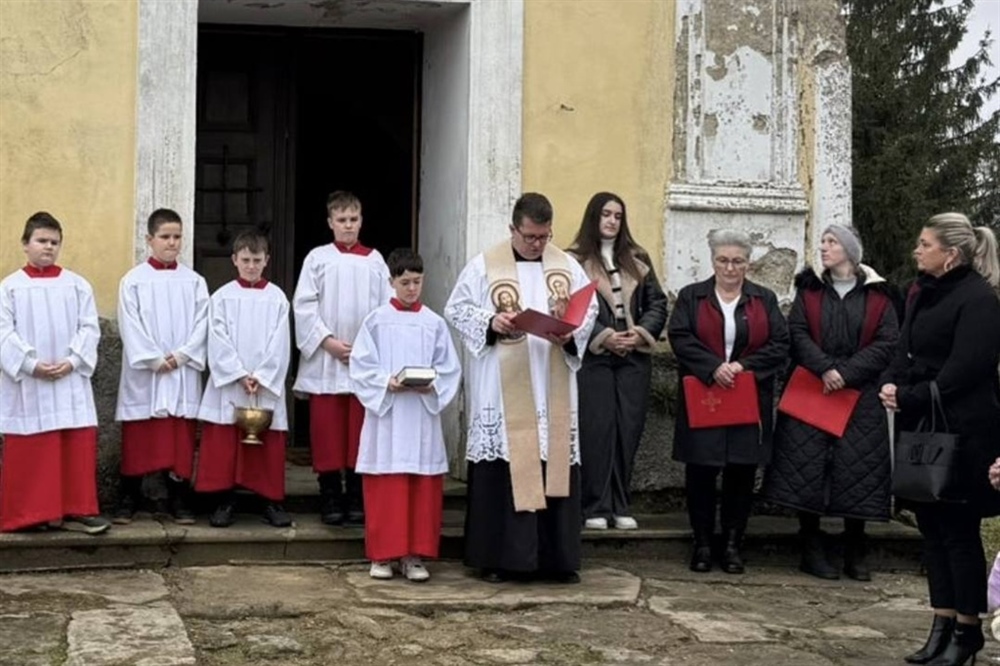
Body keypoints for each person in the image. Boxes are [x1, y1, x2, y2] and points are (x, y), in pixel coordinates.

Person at [445, 192, 597, 584]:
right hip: (503, 385)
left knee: (554, 462)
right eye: (530, 236)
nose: (537, 244)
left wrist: (571, 334)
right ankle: (501, 558)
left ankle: (555, 560)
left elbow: (588, 310)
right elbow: (457, 308)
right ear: (513, 228)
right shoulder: (484, 266)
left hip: (552, 387)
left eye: (544, 236)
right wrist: (491, 322)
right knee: (505, 466)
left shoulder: (567, 266)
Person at [879, 213, 1000, 666]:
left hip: (964, 430)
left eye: (925, 243)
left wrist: (909, 395)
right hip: (923, 425)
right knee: (931, 529)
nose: (917, 249)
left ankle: (967, 631)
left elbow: (966, 368)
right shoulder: (923, 293)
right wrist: (891, 382)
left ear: (950, 254)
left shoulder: (979, 299)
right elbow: (903, 347)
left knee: (958, 532)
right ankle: (941, 622)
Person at [761, 225, 898, 581]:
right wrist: (824, 368)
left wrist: (847, 372)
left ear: (850, 251)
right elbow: (798, 333)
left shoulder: (878, 296)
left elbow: (886, 342)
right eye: (822, 241)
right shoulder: (810, 291)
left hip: (860, 393)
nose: (823, 247)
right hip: (813, 387)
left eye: (831, 242)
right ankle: (811, 545)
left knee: (858, 468)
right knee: (805, 466)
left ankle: (855, 547)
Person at [667, 229, 789, 574]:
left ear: (748, 263)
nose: (730, 268)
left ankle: (734, 543)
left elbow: (780, 344)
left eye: (738, 261)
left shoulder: (763, 300)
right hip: (704, 394)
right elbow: (680, 336)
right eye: (723, 260)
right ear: (712, 261)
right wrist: (712, 367)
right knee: (701, 473)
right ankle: (703, 543)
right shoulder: (692, 297)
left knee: (741, 472)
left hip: (747, 396)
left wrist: (741, 366)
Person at [349, 248, 462, 582]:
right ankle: (382, 555)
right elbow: (361, 365)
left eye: (417, 282)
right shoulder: (376, 321)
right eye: (405, 282)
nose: (412, 289)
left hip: (421, 416)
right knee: (387, 485)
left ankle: (414, 555)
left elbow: (449, 368)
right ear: (392, 282)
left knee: (420, 486)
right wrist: (386, 383)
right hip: (389, 416)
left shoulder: (434, 323)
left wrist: (433, 386)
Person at [0, 212, 110, 534]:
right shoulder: (9, 288)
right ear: (25, 244)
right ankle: (31, 513)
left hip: (69, 379)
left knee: (74, 443)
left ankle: (78, 509)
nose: (48, 247)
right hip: (29, 382)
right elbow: (3, 333)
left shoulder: (76, 285)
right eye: (41, 241)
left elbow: (89, 328)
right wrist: (30, 364)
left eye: (54, 242)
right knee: (35, 448)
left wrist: (73, 361)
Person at [567, 192, 667, 530]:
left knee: (628, 428)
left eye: (618, 216)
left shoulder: (638, 258)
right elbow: (570, 307)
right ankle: (594, 504)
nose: (612, 221)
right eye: (606, 214)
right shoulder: (573, 260)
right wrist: (603, 336)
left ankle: (620, 503)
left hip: (634, 357)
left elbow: (657, 303)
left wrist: (639, 334)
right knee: (597, 429)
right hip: (594, 359)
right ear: (593, 217)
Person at [292, 191, 391, 526]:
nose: (348, 226)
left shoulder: (375, 260)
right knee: (328, 431)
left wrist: (365, 347)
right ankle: (330, 493)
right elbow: (304, 305)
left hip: (363, 359)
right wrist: (327, 341)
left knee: (359, 431)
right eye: (341, 220)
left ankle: (357, 495)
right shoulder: (318, 259)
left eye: (353, 220)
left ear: (361, 221)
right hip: (326, 358)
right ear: (330, 222)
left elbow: (384, 309)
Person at [114, 208, 209, 524]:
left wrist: (181, 356)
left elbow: (202, 325)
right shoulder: (133, 281)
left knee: (178, 438)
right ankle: (130, 496)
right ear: (149, 239)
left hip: (181, 370)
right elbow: (131, 324)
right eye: (165, 237)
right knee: (140, 436)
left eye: (177, 237)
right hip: (147, 373)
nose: (172, 243)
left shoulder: (194, 282)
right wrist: (154, 359)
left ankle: (178, 497)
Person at [194, 230, 292, 528]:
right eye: (246, 260)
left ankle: (269, 500)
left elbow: (281, 342)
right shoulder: (221, 297)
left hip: (264, 383)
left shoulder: (277, 297)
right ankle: (224, 499)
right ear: (234, 260)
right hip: (231, 382)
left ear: (267, 261)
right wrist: (237, 374)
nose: (251, 266)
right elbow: (217, 338)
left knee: (266, 442)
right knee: (225, 443)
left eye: (257, 260)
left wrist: (261, 376)